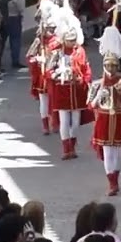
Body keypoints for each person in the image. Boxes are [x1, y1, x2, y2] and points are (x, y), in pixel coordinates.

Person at [89, 30, 121, 196]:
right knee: (107, 152)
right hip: (104, 120)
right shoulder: (98, 83)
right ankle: (111, 183)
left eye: (113, 65)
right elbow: (90, 105)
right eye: (108, 65)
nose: (110, 68)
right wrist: (98, 96)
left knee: (117, 153)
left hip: (120, 120)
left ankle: (115, 179)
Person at [46, 27, 93, 161]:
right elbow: (48, 71)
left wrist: (84, 79)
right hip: (61, 90)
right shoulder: (56, 53)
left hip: (77, 90)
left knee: (76, 121)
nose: (72, 43)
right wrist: (58, 74)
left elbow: (86, 68)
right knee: (64, 121)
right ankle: (66, 149)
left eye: (73, 40)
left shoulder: (80, 51)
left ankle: (72, 146)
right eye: (69, 40)